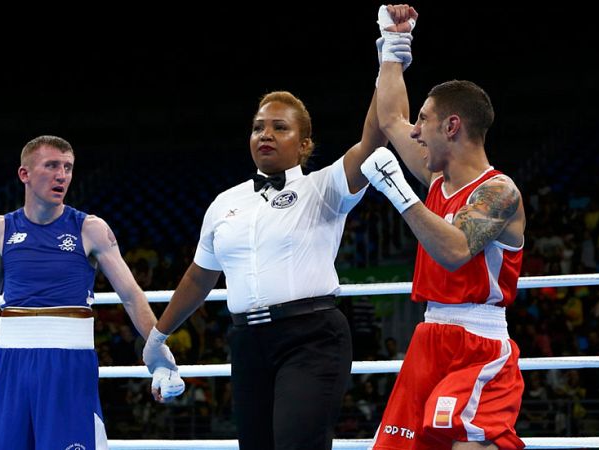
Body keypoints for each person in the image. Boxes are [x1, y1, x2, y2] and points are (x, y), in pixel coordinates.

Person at [141, 14, 416, 447]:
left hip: (311, 337)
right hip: (247, 342)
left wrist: (391, 53)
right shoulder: (224, 203)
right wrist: (158, 336)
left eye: (279, 127)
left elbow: (375, 138)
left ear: (304, 144)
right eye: (258, 127)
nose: (265, 134)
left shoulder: (323, 187)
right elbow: (200, 276)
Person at [360, 5, 526, 449]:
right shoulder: (437, 179)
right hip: (430, 335)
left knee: (466, 443)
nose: (415, 132)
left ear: (452, 126)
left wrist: (397, 190)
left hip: (478, 343)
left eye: (425, 122)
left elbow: (454, 251)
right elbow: (390, 119)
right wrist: (393, 46)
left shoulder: (499, 192)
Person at [0, 135, 185, 449]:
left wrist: (159, 355)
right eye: (51, 166)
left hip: (69, 363)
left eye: (68, 167)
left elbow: (130, 294)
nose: (61, 175)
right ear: (25, 174)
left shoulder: (90, 229)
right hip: (9, 363)